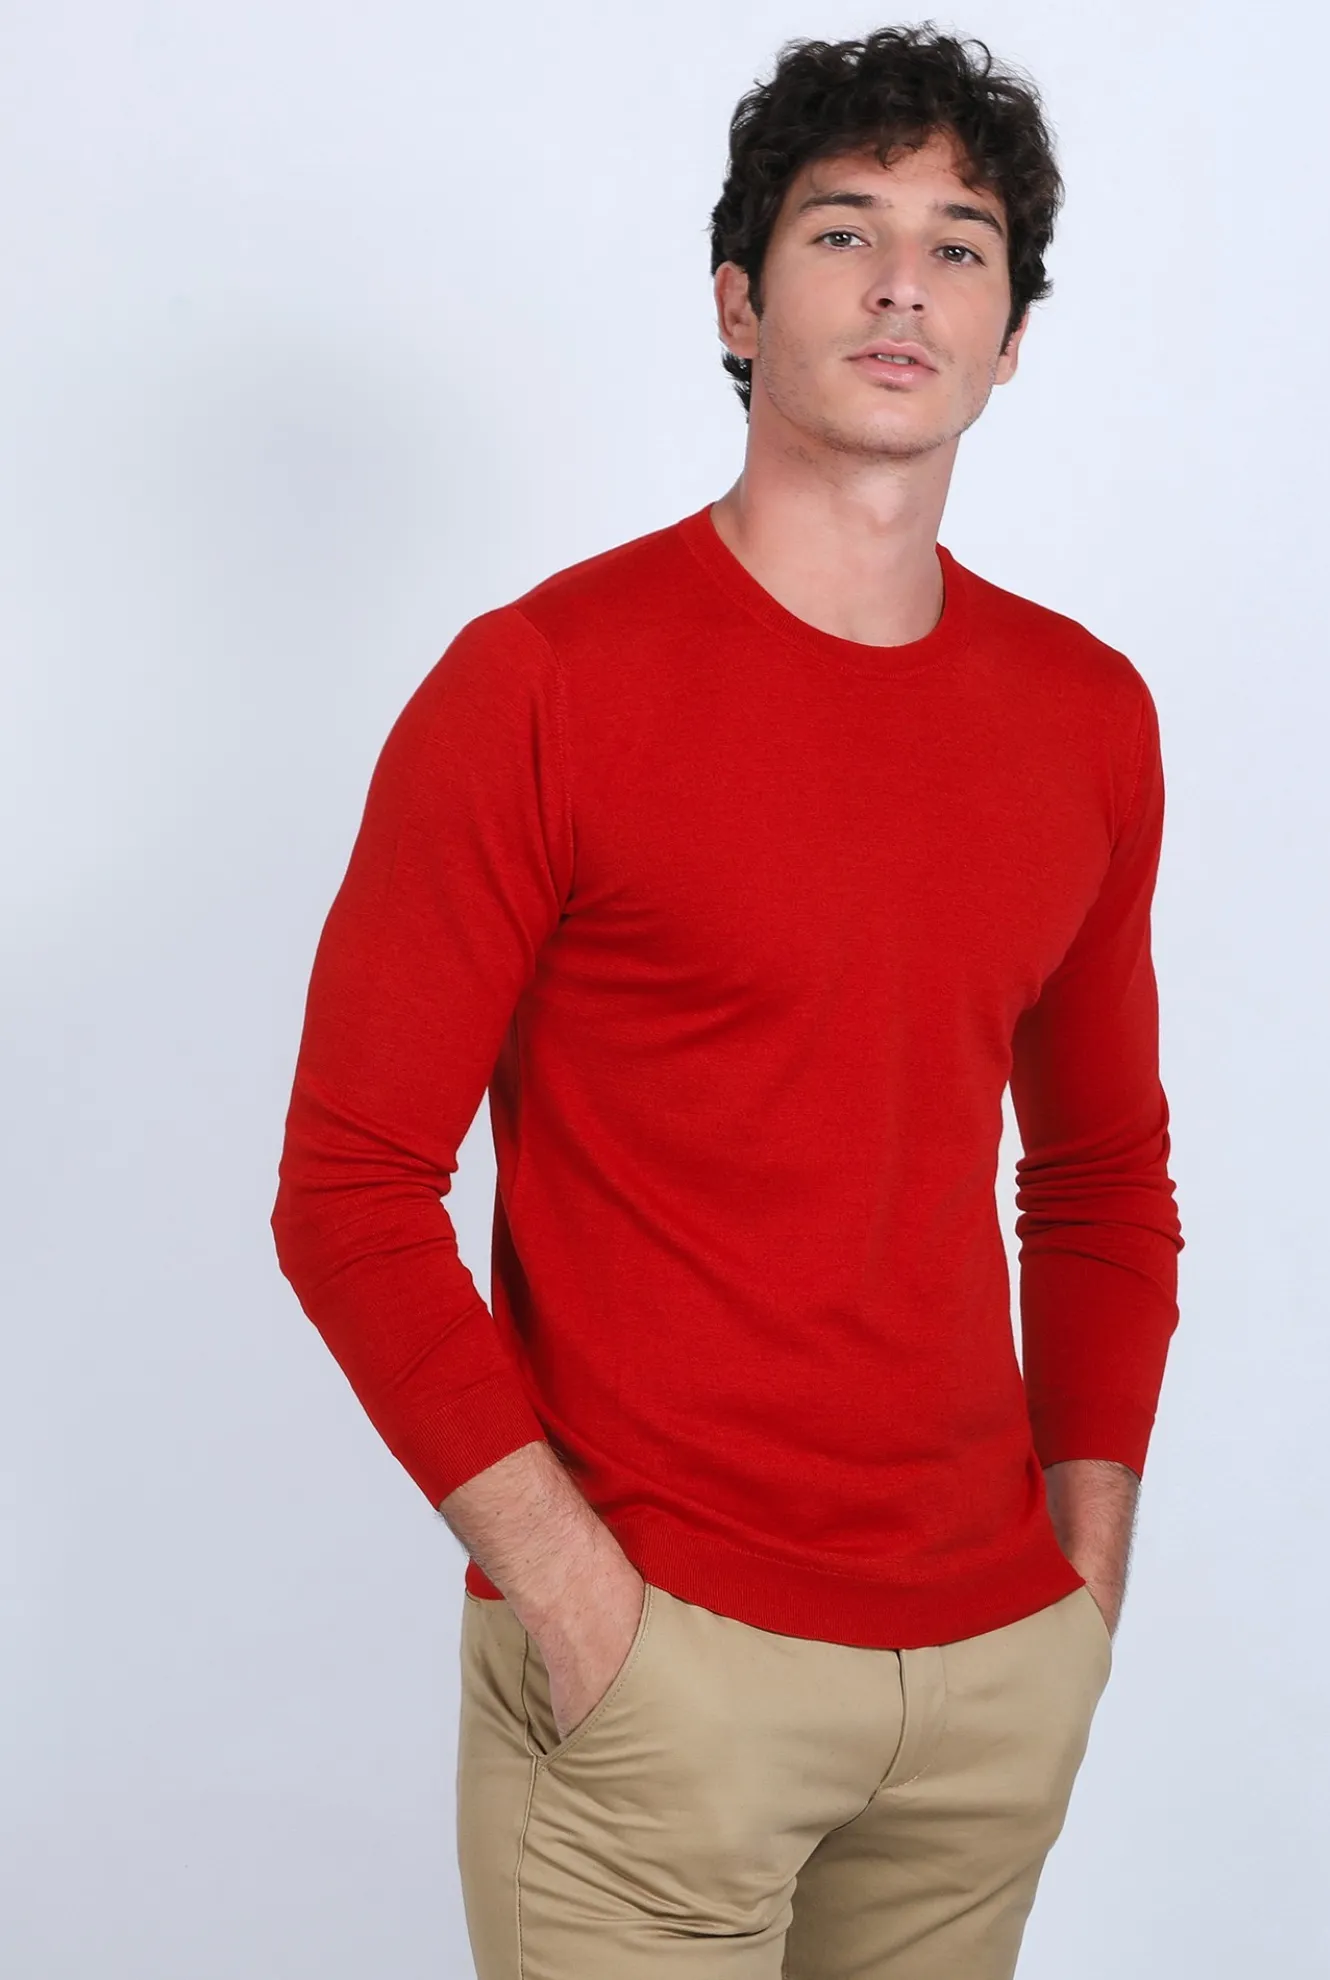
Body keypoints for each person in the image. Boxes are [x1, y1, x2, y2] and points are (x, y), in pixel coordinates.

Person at [271, 24, 1183, 1980]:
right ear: (738, 304)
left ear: (1011, 336)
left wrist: (1081, 1580)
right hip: (662, 1669)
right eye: (844, 231)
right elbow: (348, 1191)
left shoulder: (1087, 715)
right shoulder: (541, 686)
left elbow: (1102, 1174)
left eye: (959, 247)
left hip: (989, 1679)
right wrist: (574, 1600)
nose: (902, 285)